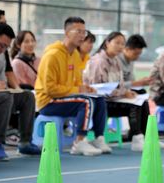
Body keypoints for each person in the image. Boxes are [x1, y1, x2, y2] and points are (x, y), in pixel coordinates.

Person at [35, 17, 111, 156]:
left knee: (98, 99)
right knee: (85, 102)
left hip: (64, 97)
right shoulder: (52, 55)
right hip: (48, 102)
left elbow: (76, 84)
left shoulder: (75, 54)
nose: (83, 36)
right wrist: (78, 90)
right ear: (67, 32)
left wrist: (86, 88)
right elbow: (50, 90)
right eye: (79, 31)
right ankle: (79, 142)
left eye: (84, 32)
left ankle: (99, 138)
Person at [83, 32, 163, 152]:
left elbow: (119, 84)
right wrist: (124, 92)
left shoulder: (115, 61)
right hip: (101, 102)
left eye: (122, 43)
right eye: (117, 43)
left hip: (113, 99)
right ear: (107, 43)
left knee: (140, 100)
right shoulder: (99, 61)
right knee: (134, 106)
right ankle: (136, 139)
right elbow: (98, 89)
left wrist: (126, 92)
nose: (120, 46)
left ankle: (145, 137)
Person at [0, 23, 40, 159]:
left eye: (6, 46)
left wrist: (8, 87)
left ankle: (25, 142)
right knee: (5, 97)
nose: (4, 49)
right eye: (2, 45)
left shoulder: (0, 54)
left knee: (27, 96)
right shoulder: (17, 61)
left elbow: (3, 81)